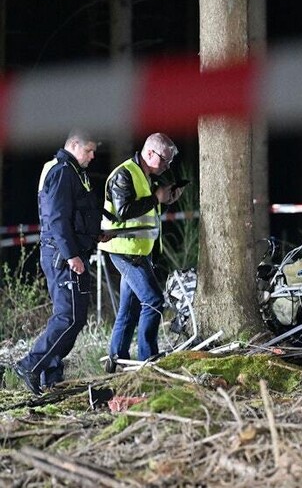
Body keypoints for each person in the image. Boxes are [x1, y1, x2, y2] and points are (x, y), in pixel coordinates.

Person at [14, 130, 104, 395]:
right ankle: (31, 365)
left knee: (72, 317)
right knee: (69, 317)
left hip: (68, 252)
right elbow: (56, 219)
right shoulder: (63, 172)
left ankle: (51, 377)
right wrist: (71, 255)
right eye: (88, 150)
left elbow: (76, 214)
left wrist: (94, 234)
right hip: (63, 256)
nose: (92, 156)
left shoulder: (73, 171)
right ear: (73, 145)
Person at [99, 133, 184, 373]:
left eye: (169, 161)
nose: (167, 166)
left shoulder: (146, 176)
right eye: (165, 160)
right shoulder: (124, 174)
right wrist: (156, 198)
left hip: (137, 251)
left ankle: (116, 360)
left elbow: (145, 211)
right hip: (125, 250)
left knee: (130, 308)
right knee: (154, 301)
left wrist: (165, 200)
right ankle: (148, 359)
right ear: (149, 153)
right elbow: (124, 211)